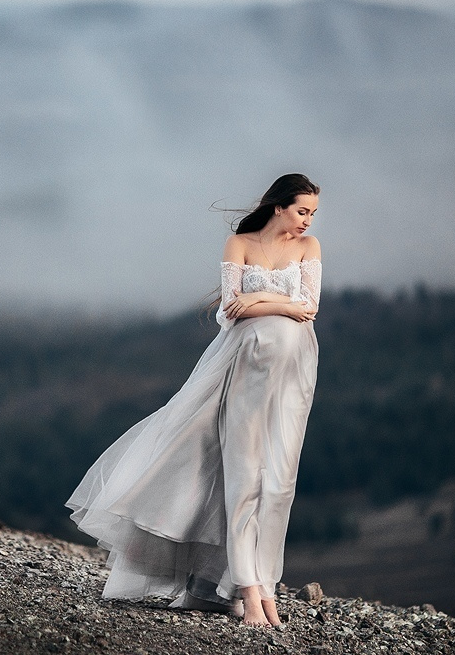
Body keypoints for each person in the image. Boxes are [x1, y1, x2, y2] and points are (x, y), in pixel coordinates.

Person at [66, 174, 322, 628]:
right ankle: (247, 587)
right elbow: (230, 309)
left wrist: (259, 297)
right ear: (279, 206)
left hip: (291, 375)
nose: (308, 221)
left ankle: (260, 584)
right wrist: (273, 300)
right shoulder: (240, 244)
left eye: (312, 214)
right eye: (302, 210)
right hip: (241, 367)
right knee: (239, 470)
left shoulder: (309, 248)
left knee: (278, 480)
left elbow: (308, 307)